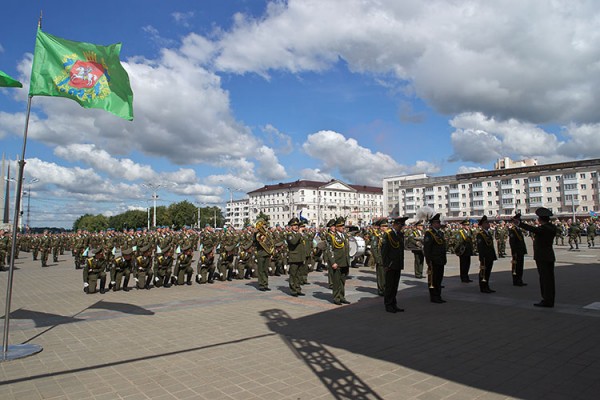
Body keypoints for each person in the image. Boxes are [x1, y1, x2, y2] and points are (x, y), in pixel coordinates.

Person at [513, 207, 558, 308]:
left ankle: (547, 300)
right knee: (550, 279)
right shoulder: (552, 227)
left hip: (542, 257)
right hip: (549, 256)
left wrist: (519, 223)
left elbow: (533, 229)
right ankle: (550, 299)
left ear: (540, 219)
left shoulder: (544, 229)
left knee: (545, 279)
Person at [380, 216, 408, 313]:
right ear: (395, 224)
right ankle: (388, 305)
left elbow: (400, 250)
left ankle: (394, 304)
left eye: (402, 225)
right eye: (400, 225)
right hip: (390, 265)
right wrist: (386, 265)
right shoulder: (388, 234)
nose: (402, 227)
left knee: (395, 286)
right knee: (389, 286)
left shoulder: (400, 234)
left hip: (397, 263)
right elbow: (384, 252)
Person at [324, 216, 351, 305]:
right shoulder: (331, 237)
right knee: (336, 282)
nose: (343, 227)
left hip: (344, 262)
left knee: (342, 281)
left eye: (343, 225)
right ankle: (336, 298)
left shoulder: (345, 235)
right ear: (336, 227)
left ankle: (342, 297)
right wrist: (333, 262)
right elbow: (329, 250)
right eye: (341, 226)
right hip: (337, 262)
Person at [423, 214, 447, 303]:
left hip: (440, 260)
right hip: (433, 260)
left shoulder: (440, 233)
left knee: (439, 279)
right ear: (433, 223)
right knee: (433, 279)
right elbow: (427, 249)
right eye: (437, 222)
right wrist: (428, 261)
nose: (439, 224)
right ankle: (433, 296)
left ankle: (438, 295)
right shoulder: (429, 234)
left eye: (439, 222)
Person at [476, 215, 497, 293]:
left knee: (488, 272)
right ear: (483, 225)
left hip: (490, 256)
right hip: (485, 257)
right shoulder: (480, 234)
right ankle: (483, 287)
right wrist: (482, 258)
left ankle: (487, 286)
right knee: (483, 272)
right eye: (486, 223)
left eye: (488, 223)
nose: (488, 224)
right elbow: (480, 247)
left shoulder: (488, 233)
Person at [285, 217, 305, 297]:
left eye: (297, 225)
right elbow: (293, 242)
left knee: (299, 274)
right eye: (294, 225)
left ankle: (298, 289)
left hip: (300, 257)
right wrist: (299, 234)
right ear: (291, 226)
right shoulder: (290, 235)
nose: (296, 226)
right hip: (294, 257)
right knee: (293, 274)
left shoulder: (298, 234)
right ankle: (293, 290)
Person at [508, 214, 528, 287]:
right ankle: (516, 280)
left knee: (520, 266)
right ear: (515, 221)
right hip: (516, 252)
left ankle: (520, 279)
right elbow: (512, 243)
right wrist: (514, 252)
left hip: (520, 251)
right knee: (516, 266)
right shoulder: (513, 230)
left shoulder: (518, 229)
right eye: (518, 220)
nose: (520, 221)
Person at [254, 219, 273, 291]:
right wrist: (255, 233)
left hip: (267, 253)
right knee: (261, 270)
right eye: (263, 225)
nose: (265, 226)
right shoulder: (258, 234)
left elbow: (271, 242)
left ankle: (265, 284)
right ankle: (261, 284)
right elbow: (255, 242)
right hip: (261, 253)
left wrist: (271, 252)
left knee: (265, 270)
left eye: (265, 225)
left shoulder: (268, 233)